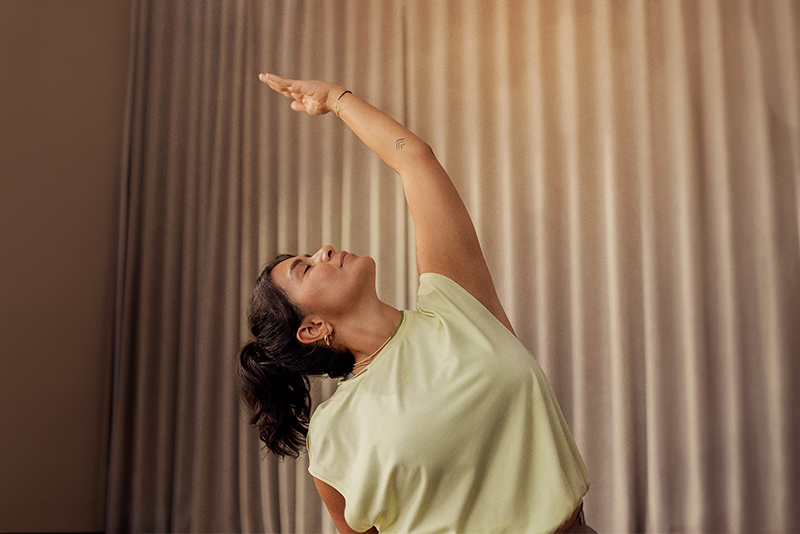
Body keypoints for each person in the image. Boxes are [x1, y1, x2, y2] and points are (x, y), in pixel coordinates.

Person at [238, 73, 596, 534]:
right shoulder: (334, 433)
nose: (323, 250)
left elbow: (416, 162)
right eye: (306, 268)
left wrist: (337, 100)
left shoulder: (456, 303)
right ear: (311, 328)